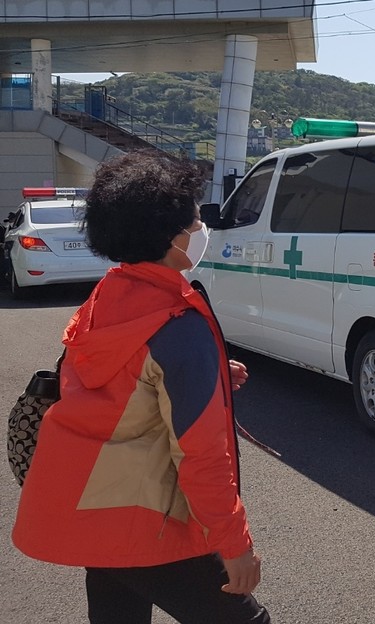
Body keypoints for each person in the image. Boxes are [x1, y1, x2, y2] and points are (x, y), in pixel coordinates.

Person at [12, 151, 270, 623]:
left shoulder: (109, 292)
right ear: (172, 238)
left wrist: (206, 372)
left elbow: (114, 373)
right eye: (193, 219)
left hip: (94, 502)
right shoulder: (178, 324)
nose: (200, 226)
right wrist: (235, 545)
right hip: (148, 516)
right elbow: (201, 455)